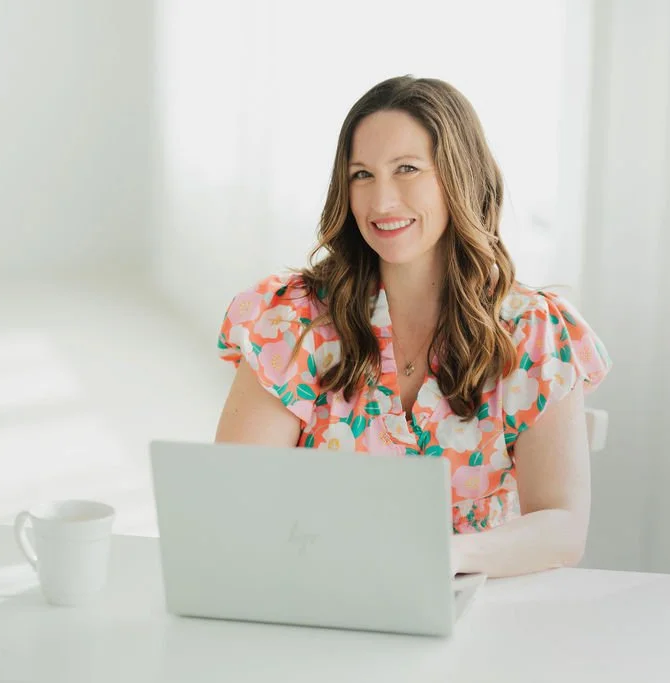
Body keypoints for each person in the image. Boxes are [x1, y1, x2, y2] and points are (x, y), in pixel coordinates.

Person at [214, 75, 611, 579]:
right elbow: (232, 503)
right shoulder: (292, 322)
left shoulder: (533, 333)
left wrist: (449, 558)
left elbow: (562, 527)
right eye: (362, 175)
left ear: (458, 177)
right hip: (315, 591)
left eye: (407, 169)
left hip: (476, 607)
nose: (381, 203)